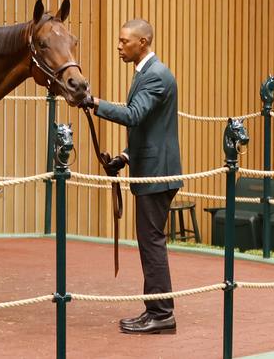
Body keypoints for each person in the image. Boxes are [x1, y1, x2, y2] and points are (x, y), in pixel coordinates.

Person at [90, 18, 182, 335]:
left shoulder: (155, 76)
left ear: (142, 42)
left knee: (152, 242)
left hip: (157, 176)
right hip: (150, 170)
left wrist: (93, 103)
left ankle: (162, 314)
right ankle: (154, 310)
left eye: (123, 41)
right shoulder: (146, 73)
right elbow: (149, 128)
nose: (119, 46)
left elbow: (133, 116)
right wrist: (126, 157)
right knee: (149, 242)